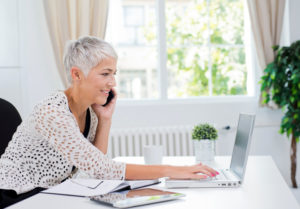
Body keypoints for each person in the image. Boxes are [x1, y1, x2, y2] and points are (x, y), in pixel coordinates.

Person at [0, 36, 218, 208]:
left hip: (48, 194)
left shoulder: (90, 113)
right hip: (16, 196)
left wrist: (105, 118)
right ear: (77, 74)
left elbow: (95, 164)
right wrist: (173, 170)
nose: (112, 83)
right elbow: (102, 168)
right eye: (105, 74)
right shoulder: (52, 112)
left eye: (114, 73)